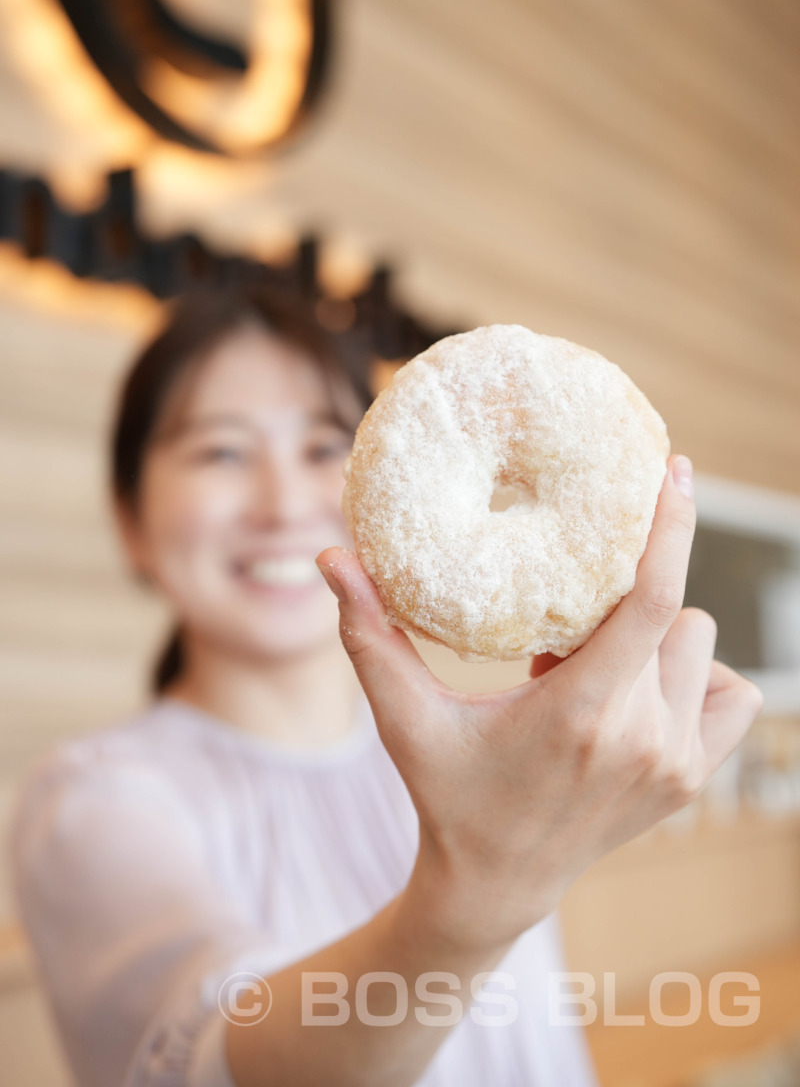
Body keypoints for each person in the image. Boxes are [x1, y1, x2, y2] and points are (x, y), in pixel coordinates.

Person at [9, 282, 762, 1087]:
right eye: (221, 452)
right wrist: (478, 893)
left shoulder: (481, 760)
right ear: (130, 519)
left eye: (325, 447)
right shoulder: (91, 800)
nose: (284, 502)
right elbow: (205, 1060)